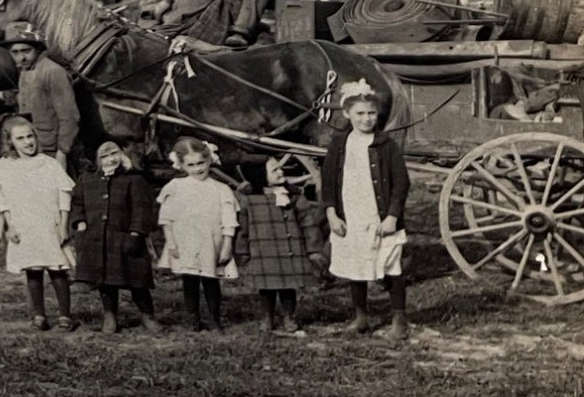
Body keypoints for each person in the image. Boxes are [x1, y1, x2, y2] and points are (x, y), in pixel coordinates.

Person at [321, 78, 410, 340]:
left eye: (371, 113)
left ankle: (400, 320)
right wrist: (331, 213)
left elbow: (402, 183)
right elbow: (328, 181)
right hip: (351, 213)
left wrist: (392, 215)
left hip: (379, 215)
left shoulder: (385, 145)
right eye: (360, 113)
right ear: (347, 113)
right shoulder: (339, 143)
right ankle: (360, 316)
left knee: (390, 265)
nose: (366, 119)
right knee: (354, 266)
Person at [0, 115, 77, 332]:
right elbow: (3, 199)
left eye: (30, 136)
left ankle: (65, 315)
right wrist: (10, 226)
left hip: (49, 224)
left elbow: (65, 196)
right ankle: (39, 316)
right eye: (20, 139)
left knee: (57, 269)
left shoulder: (49, 164)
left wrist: (63, 226)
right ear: (10, 142)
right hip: (24, 225)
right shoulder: (4, 167)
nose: (28, 142)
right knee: (32, 269)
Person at [70, 141, 159, 334]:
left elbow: (142, 209)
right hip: (99, 239)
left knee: (137, 281)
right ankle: (110, 315)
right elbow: (77, 203)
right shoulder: (87, 179)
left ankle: (147, 315)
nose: (111, 159)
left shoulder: (133, 179)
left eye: (114, 153)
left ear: (122, 155)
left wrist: (136, 232)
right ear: (97, 161)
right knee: (106, 281)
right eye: (104, 156)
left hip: (126, 237)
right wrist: (80, 222)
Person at [0, 23, 81, 168]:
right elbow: (25, 100)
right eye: (15, 52)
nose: (21, 57)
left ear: (38, 49)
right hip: (31, 147)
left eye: (26, 51)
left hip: (51, 151)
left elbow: (70, 117)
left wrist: (62, 154)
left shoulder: (53, 72)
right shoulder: (26, 70)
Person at [157, 138, 239, 331]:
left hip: (211, 242)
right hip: (185, 241)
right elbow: (166, 218)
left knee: (211, 281)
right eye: (191, 165)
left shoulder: (221, 189)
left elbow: (229, 220)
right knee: (190, 281)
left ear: (209, 160)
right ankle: (193, 320)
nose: (197, 169)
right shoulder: (175, 186)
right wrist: (171, 243)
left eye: (200, 163)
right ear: (182, 166)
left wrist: (227, 245)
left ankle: (214, 319)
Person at [241, 157, 328, 337]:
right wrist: (242, 251)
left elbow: (308, 223)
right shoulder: (250, 199)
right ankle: (267, 318)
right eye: (274, 170)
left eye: (280, 168)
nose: (281, 172)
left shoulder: (294, 195)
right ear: (260, 175)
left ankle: (289, 317)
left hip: (290, 248)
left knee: (289, 286)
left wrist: (313, 249)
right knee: (266, 287)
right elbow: (242, 227)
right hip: (263, 251)